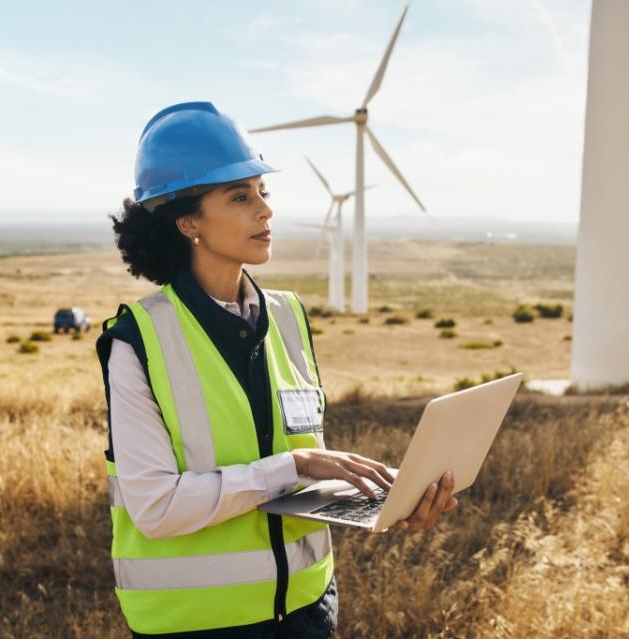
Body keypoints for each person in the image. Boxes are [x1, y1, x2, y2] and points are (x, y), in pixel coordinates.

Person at [95, 101, 458, 639]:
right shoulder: (137, 341)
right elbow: (157, 507)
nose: (265, 211)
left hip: (308, 610)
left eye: (264, 193)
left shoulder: (289, 316)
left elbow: (300, 472)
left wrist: (386, 502)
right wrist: (293, 465)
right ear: (187, 220)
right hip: (197, 627)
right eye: (240, 196)